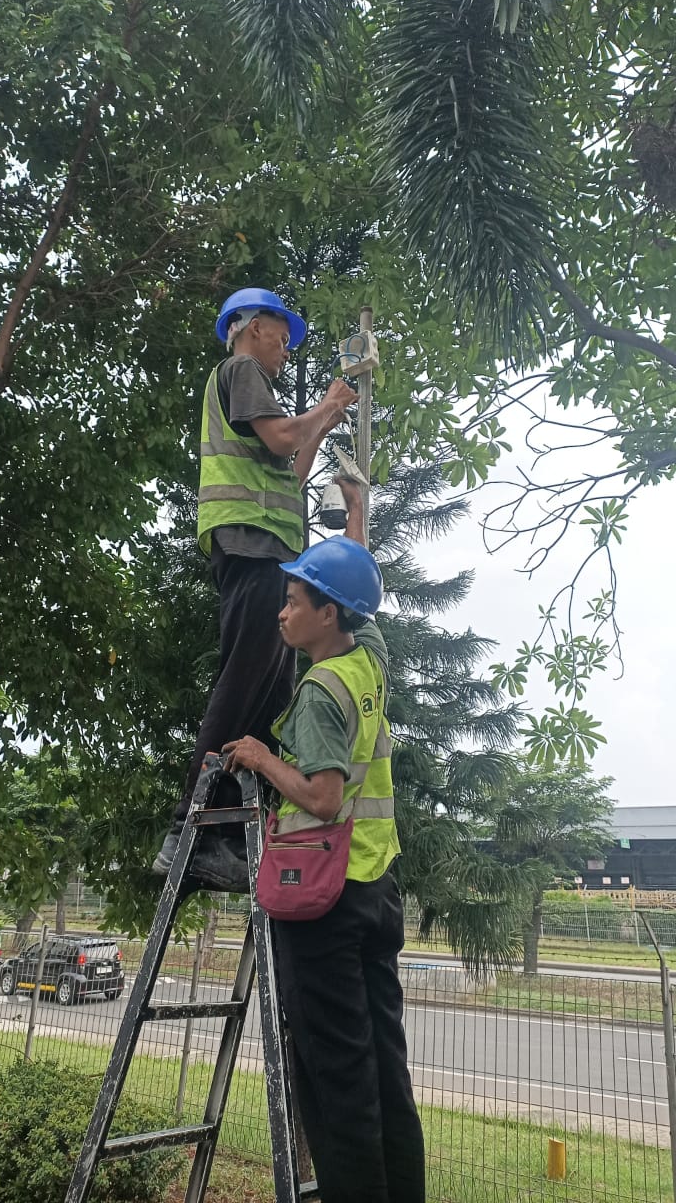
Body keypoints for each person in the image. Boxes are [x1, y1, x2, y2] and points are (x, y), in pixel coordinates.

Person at [222, 482, 426, 1203]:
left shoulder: (316, 695)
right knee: (383, 1072)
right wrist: (356, 516)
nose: (282, 613)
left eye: (294, 603)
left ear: (325, 615)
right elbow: (360, 589)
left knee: (338, 1082)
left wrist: (259, 756)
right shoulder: (366, 661)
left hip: (325, 906)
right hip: (377, 894)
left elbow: (324, 796)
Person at [153, 287, 357, 888]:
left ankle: (225, 835)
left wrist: (319, 424)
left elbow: (290, 469)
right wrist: (327, 402)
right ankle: (188, 832)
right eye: (281, 332)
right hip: (251, 546)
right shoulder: (240, 369)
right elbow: (280, 439)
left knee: (270, 696)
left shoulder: (251, 389)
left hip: (265, 549)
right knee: (244, 680)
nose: (286, 346)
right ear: (249, 326)